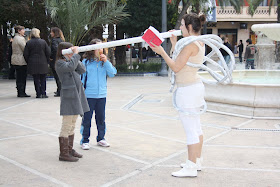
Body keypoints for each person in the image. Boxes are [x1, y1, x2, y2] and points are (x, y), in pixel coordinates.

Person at [150, 13, 206, 178]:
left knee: (191, 129)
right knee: (196, 127)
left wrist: (161, 51)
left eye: (182, 25)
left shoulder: (190, 44)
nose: (179, 28)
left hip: (188, 90)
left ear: (189, 27)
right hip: (193, 87)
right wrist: (174, 44)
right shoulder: (197, 42)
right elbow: (182, 61)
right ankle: (196, 161)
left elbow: (175, 67)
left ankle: (191, 167)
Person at [80, 39, 117, 150]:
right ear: (91, 49)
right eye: (98, 47)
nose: (100, 49)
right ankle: (85, 140)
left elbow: (113, 73)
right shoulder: (85, 62)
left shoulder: (104, 62)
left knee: (101, 118)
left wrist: (106, 62)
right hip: (88, 95)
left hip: (101, 95)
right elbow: (81, 78)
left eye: (102, 47)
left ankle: (101, 138)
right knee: (87, 119)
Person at [55, 42, 90, 162]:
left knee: (73, 123)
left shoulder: (71, 61)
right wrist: (75, 56)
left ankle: (69, 149)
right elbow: (69, 68)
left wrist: (74, 57)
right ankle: (63, 153)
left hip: (76, 95)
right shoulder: (59, 63)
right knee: (66, 124)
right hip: (69, 97)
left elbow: (82, 69)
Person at [24, 28, 51, 98]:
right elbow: (48, 52)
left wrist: (29, 61)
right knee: (43, 79)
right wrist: (47, 60)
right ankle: (43, 93)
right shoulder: (43, 42)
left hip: (32, 63)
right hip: (43, 62)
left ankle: (38, 93)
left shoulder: (29, 43)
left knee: (36, 79)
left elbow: (25, 54)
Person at [11, 25, 30, 97]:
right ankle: (22, 92)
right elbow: (25, 49)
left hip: (15, 59)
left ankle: (20, 91)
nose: (24, 31)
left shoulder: (15, 38)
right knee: (22, 76)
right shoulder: (20, 39)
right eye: (23, 30)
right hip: (21, 60)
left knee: (18, 76)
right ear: (19, 31)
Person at [50, 27, 65, 97]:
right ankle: (60, 90)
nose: (50, 34)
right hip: (62, 59)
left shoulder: (54, 41)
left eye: (51, 32)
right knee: (60, 76)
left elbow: (54, 50)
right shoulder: (62, 40)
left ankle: (59, 90)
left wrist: (51, 57)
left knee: (57, 76)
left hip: (55, 60)